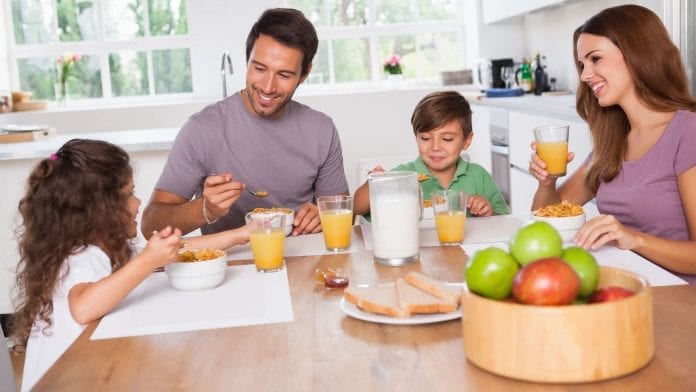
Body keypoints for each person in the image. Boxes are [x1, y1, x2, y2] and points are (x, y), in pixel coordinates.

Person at [12, 139, 250, 391]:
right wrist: (148, 261)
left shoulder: (109, 248)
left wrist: (243, 234)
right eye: (129, 195)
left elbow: (180, 249)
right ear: (98, 209)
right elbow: (83, 307)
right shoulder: (79, 255)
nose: (138, 204)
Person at [141, 8, 349, 239]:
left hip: (303, 259)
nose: (268, 87)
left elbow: (340, 210)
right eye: (259, 69)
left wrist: (323, 214)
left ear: (304, 73)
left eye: (284, 75)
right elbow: (151, 226)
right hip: (232, 264)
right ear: (247, 60)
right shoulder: (201, 130)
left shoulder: (321, 130)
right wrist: (205, 209)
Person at [529, 5, 696, 283]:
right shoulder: (613, 142)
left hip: (677, 300)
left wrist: (634, 239)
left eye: (595, 59)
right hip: (622, 286)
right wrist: (546, 182)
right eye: (583, 64)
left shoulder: (688, 131)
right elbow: (549, 216)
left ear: (636, 54)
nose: (585, 75)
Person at [353, 90, 509, 217]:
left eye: (447, 139)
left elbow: (502, 220)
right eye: (426, 138)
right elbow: (357, 208)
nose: (435, 147)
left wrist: (487, 212)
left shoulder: (479, 177)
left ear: (466, 141)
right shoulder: (403, 177)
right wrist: (374, 184)